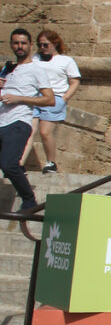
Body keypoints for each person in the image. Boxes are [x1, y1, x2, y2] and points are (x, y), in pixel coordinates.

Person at [0, 28, 53, 211]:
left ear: (30, 45)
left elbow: (49, 99)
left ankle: (29, 200)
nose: (19, 46)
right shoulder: (8, 69)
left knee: (8, 164)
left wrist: (19, 98)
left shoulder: (36, 70)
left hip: (18, 122)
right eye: (16, 43)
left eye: (23, 43)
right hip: (2, 121)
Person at [24, 29, 80, 173]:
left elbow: (74, 81)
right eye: (39, 45)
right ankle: (19, 163)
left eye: (45, 45)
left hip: (54, 98)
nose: (42, 48)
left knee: (45, 132)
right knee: (28, 130)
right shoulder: (35, 58)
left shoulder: (66, 60)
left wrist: (64, 98)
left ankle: (51, 162)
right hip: (34, 96)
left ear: (54, 43)